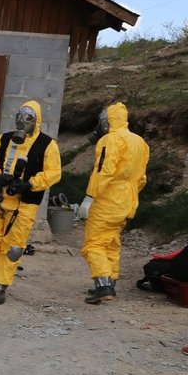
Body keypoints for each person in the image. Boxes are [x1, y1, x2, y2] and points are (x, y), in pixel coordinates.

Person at [0, 100, 62, 305]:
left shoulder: (47, 145)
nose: (23, 121)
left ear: (37, 120)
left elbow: (54, 173)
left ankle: (1, 285)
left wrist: (29, 184)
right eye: (21, 116)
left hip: (25, 204)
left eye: (29, 117)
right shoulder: (4, 139)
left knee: (13, 247)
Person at [78, 102, 150, 304]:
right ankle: (110, 279)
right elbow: (142, 178)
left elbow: (104, 170)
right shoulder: (140, 142)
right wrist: (129, 194)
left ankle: (103, 285)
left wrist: (89, 197)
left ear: (107, 120)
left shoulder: (110, 140)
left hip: (108, 200)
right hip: (128, 200)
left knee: (94, 244)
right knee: (111, 241)